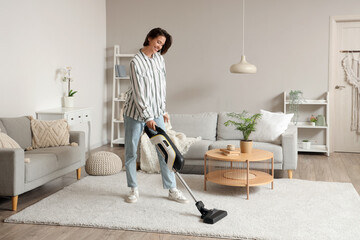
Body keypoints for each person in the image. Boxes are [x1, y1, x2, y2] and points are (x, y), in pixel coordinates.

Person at [123, 27, 188, 204]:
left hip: (156, 112)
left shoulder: (160, 60)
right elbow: (138, 93)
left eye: (163, 44)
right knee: (131, 151)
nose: (160, 46)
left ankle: (172, 189)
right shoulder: (135, 62)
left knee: (165, 151)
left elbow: (161, 88)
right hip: (135, 113)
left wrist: (162, 110)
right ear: (150, 38)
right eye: (158, 41)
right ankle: (133, 189)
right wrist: (148, 117)